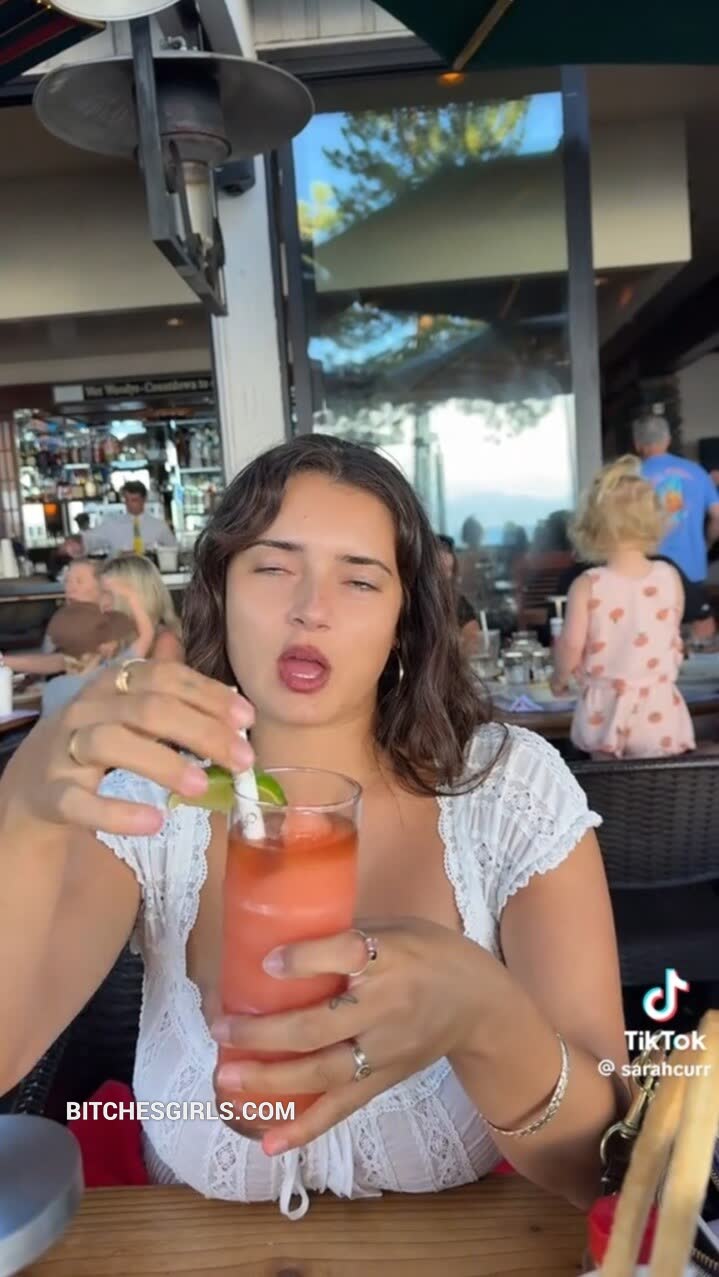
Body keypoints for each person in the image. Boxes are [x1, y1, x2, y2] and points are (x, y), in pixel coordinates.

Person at [0, 435, 628, 1222]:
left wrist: (485, 1015)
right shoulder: (151, 801)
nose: (311, 608)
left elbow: (604, 1165)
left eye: (359, 579)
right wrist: (23, 810)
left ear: (404, 620)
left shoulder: (509, 789)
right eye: (271, 567)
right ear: (219, 592)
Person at [552, 457, 695, 759]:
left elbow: (572, 644)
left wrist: (560, 677)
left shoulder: (588, 584)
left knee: (609, 784)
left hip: (605, 709)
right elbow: (671, 630)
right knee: (657, 783)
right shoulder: (669, 576)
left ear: (591, 526)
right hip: (659, 709)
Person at [0, 560, 133, 679]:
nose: (70, 588)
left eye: (79, 581)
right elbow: (58, 661)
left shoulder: (114, 627)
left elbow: (61, 662)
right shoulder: (63, 620)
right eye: (67, 581)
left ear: (103, 589)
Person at [633, 414, 719, 582]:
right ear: (668, 440)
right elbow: (717, 517)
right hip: (692, 571)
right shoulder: (698, 472)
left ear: (637, 444)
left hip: (649, 573)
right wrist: (705, 545)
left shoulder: (630, 477)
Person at [99, 554, 184, 664]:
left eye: (108, 594)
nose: (103, 602)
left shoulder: (166, 642)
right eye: (100, 594)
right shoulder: (119, 638)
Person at [72, 482, 177, 557]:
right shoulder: (112, 525)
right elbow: (89, 539)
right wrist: (75, 542)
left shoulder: (158, 526)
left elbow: (173, 550)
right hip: (118, 574)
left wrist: (155, 552)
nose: (129, 504)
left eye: (134, 500)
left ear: (144, 499)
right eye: (127, 500)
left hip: (148, 574)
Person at [436, 534, 482, 654]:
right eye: (439, 551)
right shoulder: (413, 603)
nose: (445, 557)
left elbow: (474, 641)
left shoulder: (457, 601)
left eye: (448, 551)